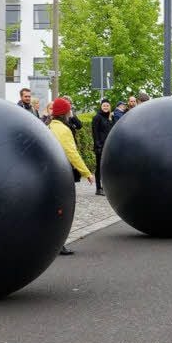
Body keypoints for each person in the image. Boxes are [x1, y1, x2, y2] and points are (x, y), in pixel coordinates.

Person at [49, 97, 94, 254]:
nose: (71, 113)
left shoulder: (50, 126)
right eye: (69, 110)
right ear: (64, 113)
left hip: (51, 172)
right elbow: (71, 153)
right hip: (61, 173)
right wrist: (86, 172)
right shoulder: (63, 129)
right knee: (63, 210)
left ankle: (54, 243)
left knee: (55, 209)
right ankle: (58, 244)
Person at [91, 99, 114, 196]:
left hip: (109, 146)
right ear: (101, 106)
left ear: (110, 107)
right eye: (104, 105)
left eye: (107, 106)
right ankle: (98, 188)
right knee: (99, 167)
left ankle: (106, 187)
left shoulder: (110, 118)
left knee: (107, 167)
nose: (105, 107)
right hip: (100, 146)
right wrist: (98, 146)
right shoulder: (97, 117)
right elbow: (95, 133)